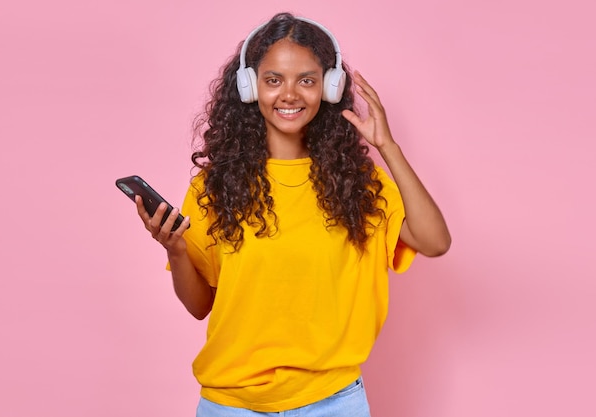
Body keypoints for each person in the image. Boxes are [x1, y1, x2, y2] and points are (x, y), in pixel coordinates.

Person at [135, 12, 450, 417]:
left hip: (334, 402)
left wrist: (387, 146)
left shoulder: (359, 183)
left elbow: (435, 242)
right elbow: (200, 306)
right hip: (231, 406)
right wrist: (175, 249)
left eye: (306, 79)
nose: (289, 94)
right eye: (273, 80)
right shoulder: (215, 186)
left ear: (329, 87)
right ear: (249, 87)